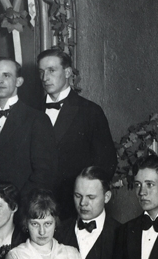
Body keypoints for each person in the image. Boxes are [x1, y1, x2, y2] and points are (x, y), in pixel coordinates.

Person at [37, 49, 116, 218]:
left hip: (75, 208)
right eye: (41, 72)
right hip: (38, 208)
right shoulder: (32, 111)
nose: (45, 77)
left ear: (67, 72)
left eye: (51, 70)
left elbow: (105, 162)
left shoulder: (90, 111)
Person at [0, 58, 57, 198]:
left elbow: (43, 172)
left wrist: (18, 201)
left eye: (6, 75)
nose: (0, 80)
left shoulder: (37, 119)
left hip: (22, 203)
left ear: (19, 81)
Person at [56, 166, 119, 259]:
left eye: (91, 197)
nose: (82, 203)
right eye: (78, 196)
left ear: (107, 197)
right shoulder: (58, 230)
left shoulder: (121, 234)